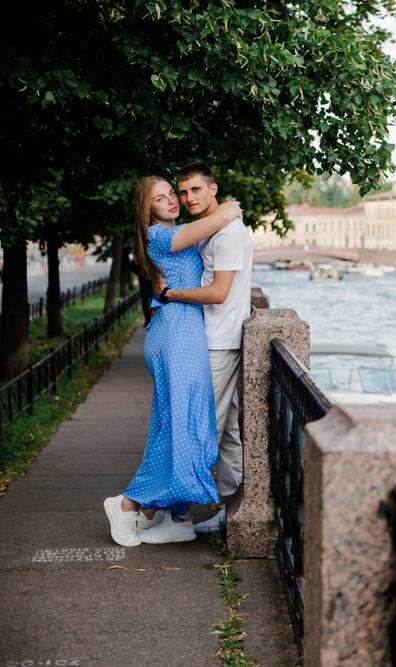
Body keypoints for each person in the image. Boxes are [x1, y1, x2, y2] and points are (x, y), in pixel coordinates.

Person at [103, 176, 243, 547]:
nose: (171, 202)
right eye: (161, 198)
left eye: (172, 195)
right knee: (184, 427)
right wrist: (229, 207)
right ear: (146, 208)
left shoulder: (178, 231)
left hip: (180, 332)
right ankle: (129, 503)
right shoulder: (159, 236)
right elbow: (214, 222)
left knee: (178, 426)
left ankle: (161, 513)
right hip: (176, 334)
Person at [151, 163, 253, 535]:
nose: (188, 198)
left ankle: (177, 516)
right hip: (208, 340)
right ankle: (231, 509)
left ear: (212, 189)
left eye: (196, 190)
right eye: (183, 192)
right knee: (223, 431)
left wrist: (170, 295)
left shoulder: (225, 234)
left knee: (201, 430)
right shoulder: (210, 229)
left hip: (219, 342)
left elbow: (218, 292)